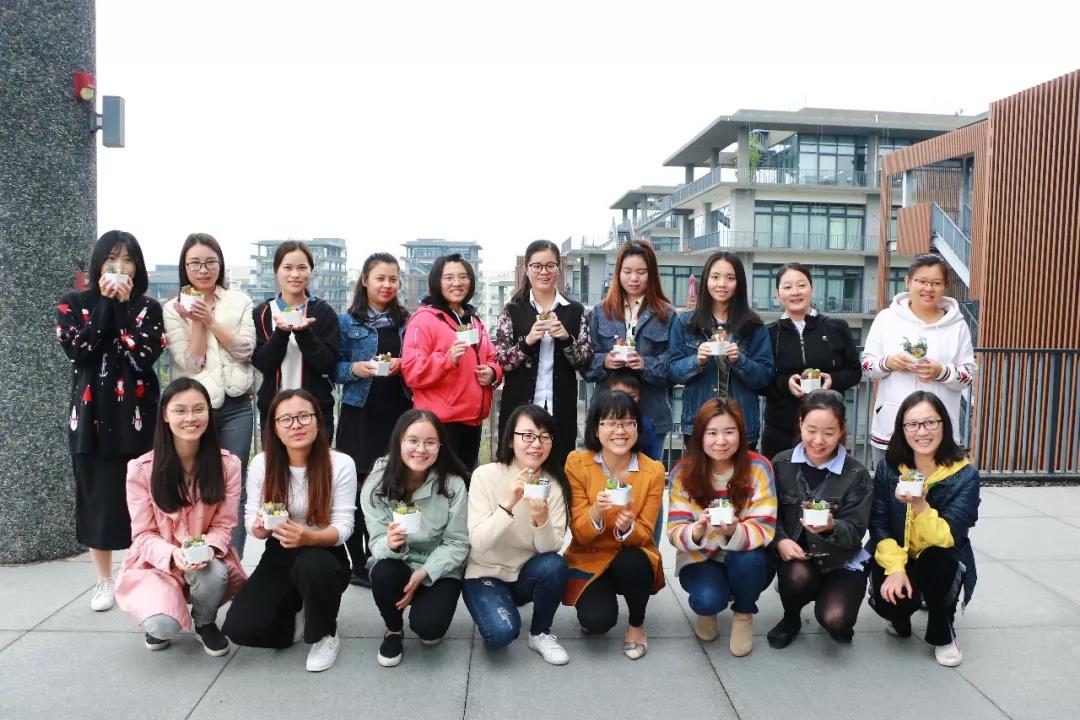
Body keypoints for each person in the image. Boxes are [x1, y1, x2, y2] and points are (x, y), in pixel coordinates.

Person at [56, 230, 165, 611]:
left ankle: (140, 573)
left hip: (138, 416)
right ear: (99, 264)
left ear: (137, 267)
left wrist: (121, 308)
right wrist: (105, 303)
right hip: (91, 417)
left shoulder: (148, 308)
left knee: (144, 500)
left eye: (128, 260)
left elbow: (141, 357)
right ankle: (103, 580)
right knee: (97, 499)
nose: (120, 267)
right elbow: (79, 350)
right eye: (112, 259)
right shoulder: (72, 304)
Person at [222, 390, 357, 673]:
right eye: (286, 419)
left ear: (318, 421)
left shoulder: (340, 464)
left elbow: (345, 526)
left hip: (324, 552)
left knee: (313, 567)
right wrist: (259, 528)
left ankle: (325, 633)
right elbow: (251, 518)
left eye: (304, 416)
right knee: (239, 628)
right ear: (275, 428)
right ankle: (300, 608)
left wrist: (309, 537)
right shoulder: (262, 463)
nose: (296, 425)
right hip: (280, 552)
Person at [115, 378, 245, 655]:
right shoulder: (141, 469)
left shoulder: (228, 465)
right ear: (165, 414)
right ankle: (162, 613)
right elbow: (143, 534)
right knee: (163, 627)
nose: (190, 418)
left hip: (204, 559)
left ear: (209, 412)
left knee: (213, 573)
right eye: (180, 410)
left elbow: (224, 525)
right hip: (156, 563)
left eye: (198, 409)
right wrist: (173, 555)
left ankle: (205, 622)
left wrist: (205, 549)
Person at [867, 390, 980, 667]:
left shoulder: (964, 475)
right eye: (913, 424)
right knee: (892, 602)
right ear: (902, 429)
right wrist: (895, 568)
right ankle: (900, 617)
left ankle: (943, 632)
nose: (922, 432)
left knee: (937, 560)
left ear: (944, 424)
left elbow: (948, 537)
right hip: (899, 552)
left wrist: (919, 504)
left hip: (941, 556)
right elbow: (879, 524)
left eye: (931, 422)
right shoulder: (889, 468)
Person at [164, 233, 257, 556]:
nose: (203, 270)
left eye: (210, 262)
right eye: (195, 263)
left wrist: (210, 320)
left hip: (236, 405)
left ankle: (233, 563)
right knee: (193, 483)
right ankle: (195, 558)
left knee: (235, 485)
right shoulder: (173, 309)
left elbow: (244, 350)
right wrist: (196, 323)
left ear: (220, 264)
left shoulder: (239, 301)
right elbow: (191, 362)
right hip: (195, 408)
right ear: (185, 267)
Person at [666, 398, 776, 657]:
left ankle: (743, 613)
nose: (721, 441)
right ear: (699, 436)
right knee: (707, 600)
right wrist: (697, 530)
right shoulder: (683, 472)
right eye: (712, 433)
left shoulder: (759, 467)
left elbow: (765, 526)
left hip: (745, 556)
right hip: (701, 557)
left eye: (729, 432)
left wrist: (732, 531)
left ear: (741, 433)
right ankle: (709, 609)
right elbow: (675, 530)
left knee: (749, 561)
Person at [361, 409, 470, 667]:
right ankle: (393, 629)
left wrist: (424, 573)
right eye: (413, 441)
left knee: (430, 630)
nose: (421, 449)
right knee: (384, 572)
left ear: (440, 446)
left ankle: (425, 604)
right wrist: (390, 544)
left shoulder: (453, 484)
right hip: (399, 561)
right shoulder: (377, 483)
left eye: (430, 443)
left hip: (439, 566)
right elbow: (375, 542)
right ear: (399, 441)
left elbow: (457, 542)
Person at [464, 405, 571, 665]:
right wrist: (509, 504)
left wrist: (541, 519)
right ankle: (497, 605)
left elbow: (550, 549)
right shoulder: (485, 475)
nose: (536, 444)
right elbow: (479, 542)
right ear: (511, 440)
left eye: (544, 437)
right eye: (528, 436)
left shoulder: (554, 484)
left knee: (555, 565)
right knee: (501, 635)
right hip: (485, 574)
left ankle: (540, 633)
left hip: (525, 576)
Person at [563, 391, 665, 660]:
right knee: (596, 622)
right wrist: (596, 511)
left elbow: (646, 535)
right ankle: (599, 595)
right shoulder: (577, 463)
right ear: (596, 429)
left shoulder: (653, 471)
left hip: (629, 555)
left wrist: (627, 527)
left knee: (633, 561)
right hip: (591, 555)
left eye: (628, 423)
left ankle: (636, 624)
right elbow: (579, 534)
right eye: (610, 423)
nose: (620, 431)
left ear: (637, 428)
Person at [766, 390, 872, 649]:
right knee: (795, 575)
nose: (818, 440)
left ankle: (835, 605)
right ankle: (791, 618)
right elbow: (768, 515)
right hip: (799, 560)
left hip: (841, 562)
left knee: (836, 620)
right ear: (800, 424)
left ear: (842, 429)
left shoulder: (856, 473)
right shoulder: (781, 463)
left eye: (829, 432)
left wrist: (832, 526)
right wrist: (780, 541)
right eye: (811, 430)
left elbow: (856, 531)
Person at [335, 252, 413, 587]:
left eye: (393, 279)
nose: (387, 285)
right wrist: (356, 368)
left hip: (397, 412)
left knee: (391, 486)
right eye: (380, 278)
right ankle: (357, 563)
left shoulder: (407, 322)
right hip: (359, 413)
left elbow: (418, 361)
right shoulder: (345, 322)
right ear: (365, 280)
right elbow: (332, 367)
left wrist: (402, 365)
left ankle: (381, 553)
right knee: (355, 487)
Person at [861, 253, 977, 460]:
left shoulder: (957, 325)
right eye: (921, 281)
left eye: (936, 283)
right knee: (890, 481)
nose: (928, 288)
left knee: (939, 482)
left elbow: (968, 376)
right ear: (908, 282)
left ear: (945, 287)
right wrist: (888, 363)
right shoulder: (886, 319)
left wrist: (942, 371)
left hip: (939, 432)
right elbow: (867, 366)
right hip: (891, 429)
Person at [494, 240, 591, 469]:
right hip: (519, 406)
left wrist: (566, 339)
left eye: (550, 266)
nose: (543, 272)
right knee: (515, 470)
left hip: (561, 407)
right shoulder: (512, 309)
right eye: (536, 266)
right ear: (527, 269)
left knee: (559, 470)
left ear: (559, 268)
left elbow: (585, 361)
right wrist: (527, 341)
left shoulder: (575, 310)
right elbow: (502, 361)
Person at [401, 254, 502, 473]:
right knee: (440, 486)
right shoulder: (423, 320)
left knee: (463, 486)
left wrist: (493, 372)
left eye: (463, 277)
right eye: (449, 277)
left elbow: (492, 356)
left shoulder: (473, 319)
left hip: (473, 422)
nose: (457, 283)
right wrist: (447, 360)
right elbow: (411, 372)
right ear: (437, 281)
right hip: (439, 425)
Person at [669, 252, 773, 449]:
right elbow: (673, 371)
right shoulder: (685, 323)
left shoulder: (754, 326)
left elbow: (765, 378)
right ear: (706, 280)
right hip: (699, 424)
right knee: (699, 471)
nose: (722, 284)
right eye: (715, 277)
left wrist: (740, 360)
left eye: (730, 278)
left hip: (742, 426)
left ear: (739, 283)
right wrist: (697, 361)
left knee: (740, 472)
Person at [761, 263, 861, 459]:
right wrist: (785, 383)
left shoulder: (836, 327)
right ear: (778, 294)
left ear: (812, 289)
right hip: (781, 429)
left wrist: (832, 381)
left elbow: (854, 372)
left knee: (829, 477)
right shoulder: (768, 334)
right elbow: (761, 380)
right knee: (781, 477)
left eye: (801, 285)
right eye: (787, 287)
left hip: (827, 430)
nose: (795, 292)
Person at [584, 240, 675, 451]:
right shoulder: (600, 312)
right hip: (607, 416)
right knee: (606, 472)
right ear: (618, 273)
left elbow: (674, 364)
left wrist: (645, 364)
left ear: (651, 274)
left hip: (651, 415)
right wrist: (605, 361)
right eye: (627, 271)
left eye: (641, 272)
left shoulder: (666, 314)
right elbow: (586, 362)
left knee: (649, 470)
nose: (634, 278)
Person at [251, 241, 340, 441]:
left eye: (302, 268)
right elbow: (263, 363)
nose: (295, 274)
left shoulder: (323, 312)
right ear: (276, 271)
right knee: (275, 462)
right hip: (274, 412)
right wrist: (281, 333)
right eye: (288, 268)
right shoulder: (263, 313)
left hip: (316, 412)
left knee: (318, 462)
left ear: (310, 271)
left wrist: (304, 333)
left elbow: (328, 363)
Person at [604, 370, 660, 461]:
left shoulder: (645, 425)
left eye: (632, 396)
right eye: (619, 395)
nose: (625, 400)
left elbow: (653, 460)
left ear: (639, 396)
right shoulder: (600, 422)